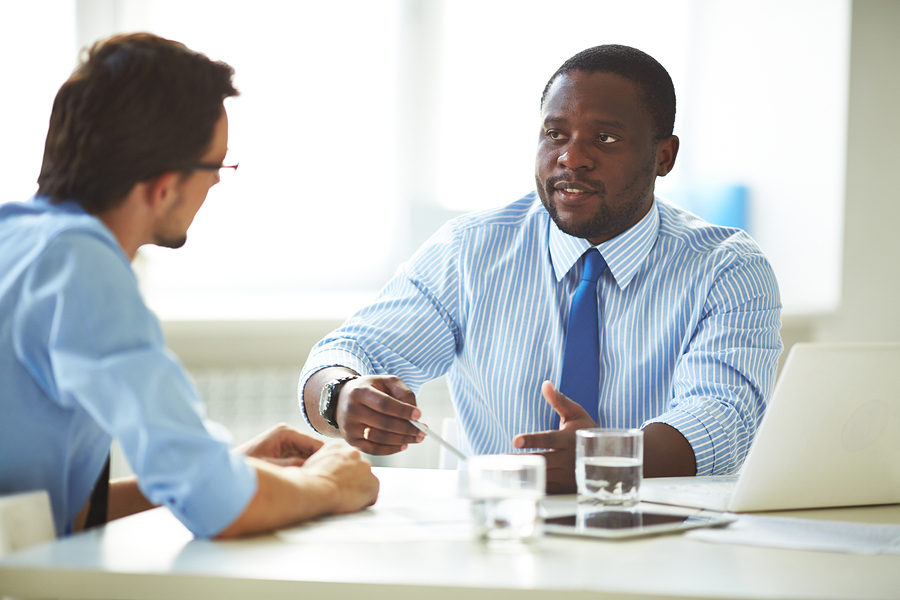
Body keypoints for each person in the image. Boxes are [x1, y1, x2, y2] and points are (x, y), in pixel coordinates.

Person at [299, 44, 782, 493]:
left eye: (605, 138)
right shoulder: (471, 250)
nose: (571, 158)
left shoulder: (727, 268)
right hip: (502, 533)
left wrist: (607, 456)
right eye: (555, 135)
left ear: (664, 156)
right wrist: (341, 398)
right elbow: (350, 351)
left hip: (665, 537)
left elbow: (725, 419)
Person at [0, 33, 378, 539]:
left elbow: (45, 518)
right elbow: (217, 507)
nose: (218, 182)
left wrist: (228, 468)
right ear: (163, 184)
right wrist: (330, 485)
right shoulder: (82, 266)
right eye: (216, 165)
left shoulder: (16, 237)